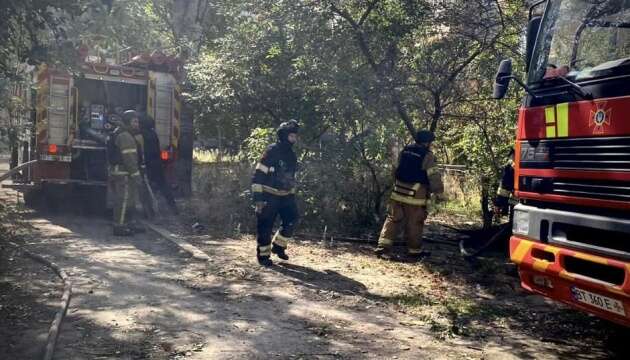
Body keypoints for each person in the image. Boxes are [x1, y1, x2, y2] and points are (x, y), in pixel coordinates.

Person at [375, 130, 444, 261]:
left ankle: (382, 248)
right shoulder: (428, 156)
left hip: (397, 192)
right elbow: (433, 176)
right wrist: (438, 192)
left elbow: (395, 170)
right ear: (427, 142)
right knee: (415, 223)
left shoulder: (404, 151)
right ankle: (414, 251)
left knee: (392, 219)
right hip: (415, 197)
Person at [251, 120, 300, 267]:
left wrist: (291, 192)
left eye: (295, 136)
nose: (294, 139)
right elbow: (258, 175)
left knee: (292, 219)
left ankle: (278, 247)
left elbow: (291, 177)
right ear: (284, 136)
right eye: (292, 136)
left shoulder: (291, 155)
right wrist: (258, 199)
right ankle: (263, 256)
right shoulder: (271, 151)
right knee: (265, 227)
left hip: (286, 196)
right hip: (268, 196)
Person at [108, 110, 145, 236]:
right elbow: (129, 159)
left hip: (121, 171)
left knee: (129, 200)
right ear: (128, 122)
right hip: (124, 173)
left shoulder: (122, 133)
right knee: (124, 200)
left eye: (137, 121)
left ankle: (129, 224)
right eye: (134, 121)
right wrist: (137, 176)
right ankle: (119, 227)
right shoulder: (125, 136)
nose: (137, 124)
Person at [140, 116, 178, 215]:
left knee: (147, 187)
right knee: (163, 185)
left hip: (148, 165)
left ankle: (150, 211)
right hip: (157, 163)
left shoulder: (141, 134)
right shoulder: (153, 134)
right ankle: (173, 208)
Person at [494, 148, 517, 221]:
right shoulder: (509, 164)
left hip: (512, 188)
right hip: (505, 187)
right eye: (512, 155)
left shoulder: (514, 164)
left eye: (513, 155)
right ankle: (497, 218)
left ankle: (509, 220)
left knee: (512, 205)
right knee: (499, 203)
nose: (513, 157)